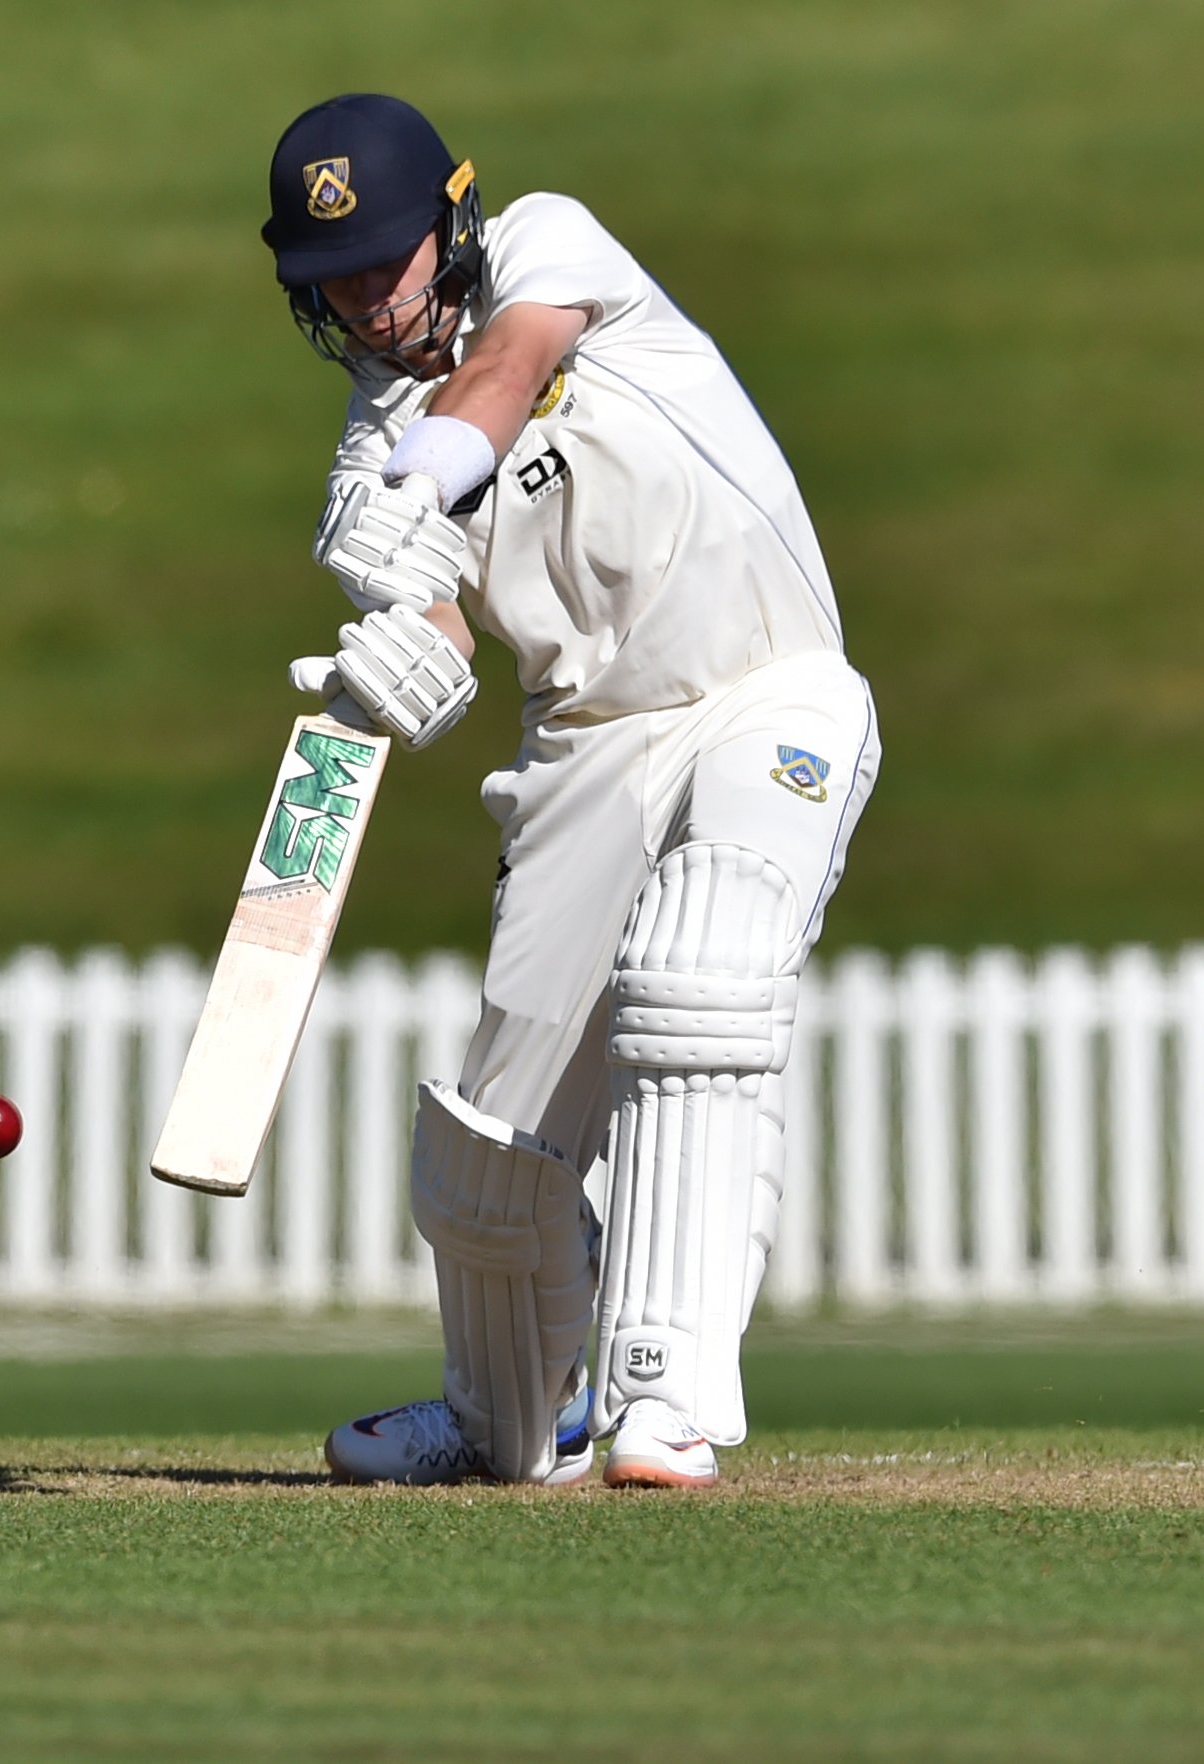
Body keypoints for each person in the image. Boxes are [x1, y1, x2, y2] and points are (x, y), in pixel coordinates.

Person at [262, 93, 881, 1488]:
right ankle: (511, 1422)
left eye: (385, 262)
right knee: (490, 1162)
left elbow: (508, 367)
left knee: (700, 971)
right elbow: (433, 629)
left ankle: (664, 1396)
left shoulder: (552, 247)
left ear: (453, 222)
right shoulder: (370, 451)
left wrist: (426, 475)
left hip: (762, 688)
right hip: (581, 752)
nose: (363, 304)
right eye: (329, 283)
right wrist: (394, 664)